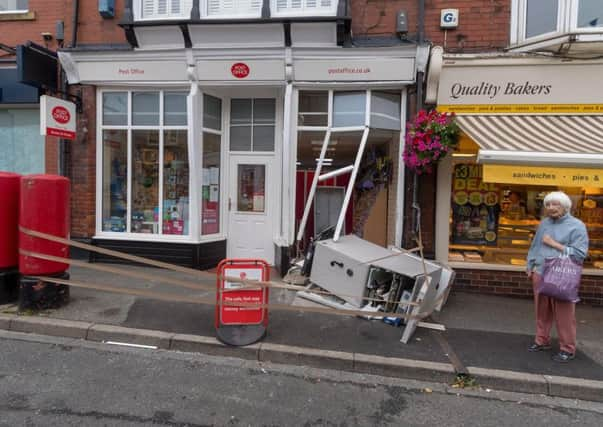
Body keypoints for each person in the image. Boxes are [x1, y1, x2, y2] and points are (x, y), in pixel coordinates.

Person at [526, 191, 589, 362]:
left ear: (566, 206)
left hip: (562, 274)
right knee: (541, 311)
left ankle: (567, 348)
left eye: (555, 204)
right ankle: (541, 340)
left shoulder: (577, 226)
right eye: (548, 205)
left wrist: (554, 244)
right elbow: (535, 246)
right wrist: (530, 265)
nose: (551, 208)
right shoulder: (544, 223)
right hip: (540, 271)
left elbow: (580, 254)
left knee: (564, 314)